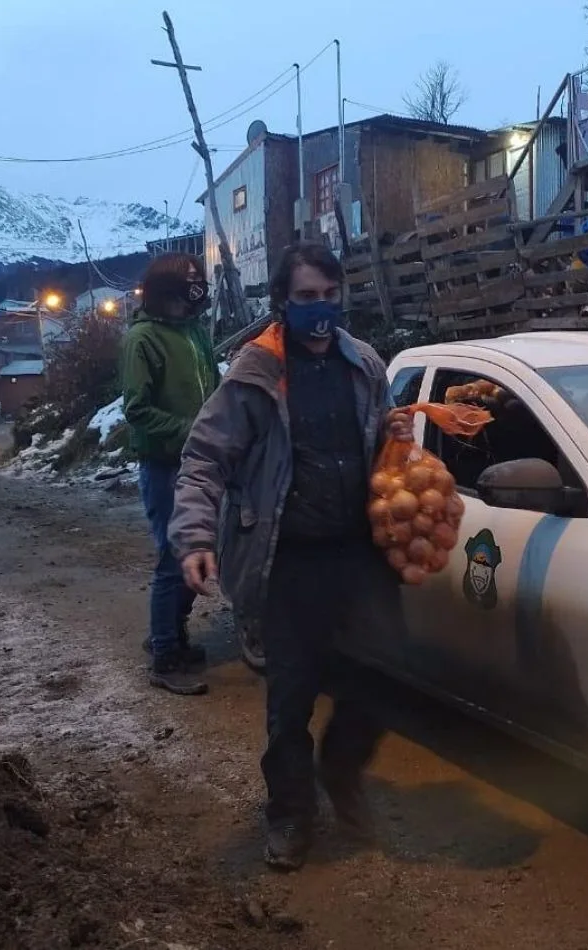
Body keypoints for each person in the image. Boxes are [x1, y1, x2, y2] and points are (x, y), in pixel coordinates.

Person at [169, 241, 413, 870]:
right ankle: (290, 815)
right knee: (290, 701)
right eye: (307, 297)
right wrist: (196, 538)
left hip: (359, 555)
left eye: (330, 295)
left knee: (381, 675)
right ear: (282, 302)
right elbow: (203, 461)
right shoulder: (256, 374)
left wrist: (396, 435)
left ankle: (340, 769)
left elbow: (382, 431)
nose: (321, 308)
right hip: (289, 561)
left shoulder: (363, 363)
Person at [122, 253, 219, 697]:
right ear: (167, 292)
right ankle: (163, 654)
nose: (196, 292)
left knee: (199, 549)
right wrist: (188, 430)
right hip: (164, 464)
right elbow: (137, 410)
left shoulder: (196, 332)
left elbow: (214, 390)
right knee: (171, 556)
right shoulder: (143, 339)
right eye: (188, 285)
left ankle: (174, 635)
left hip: (201, 463)